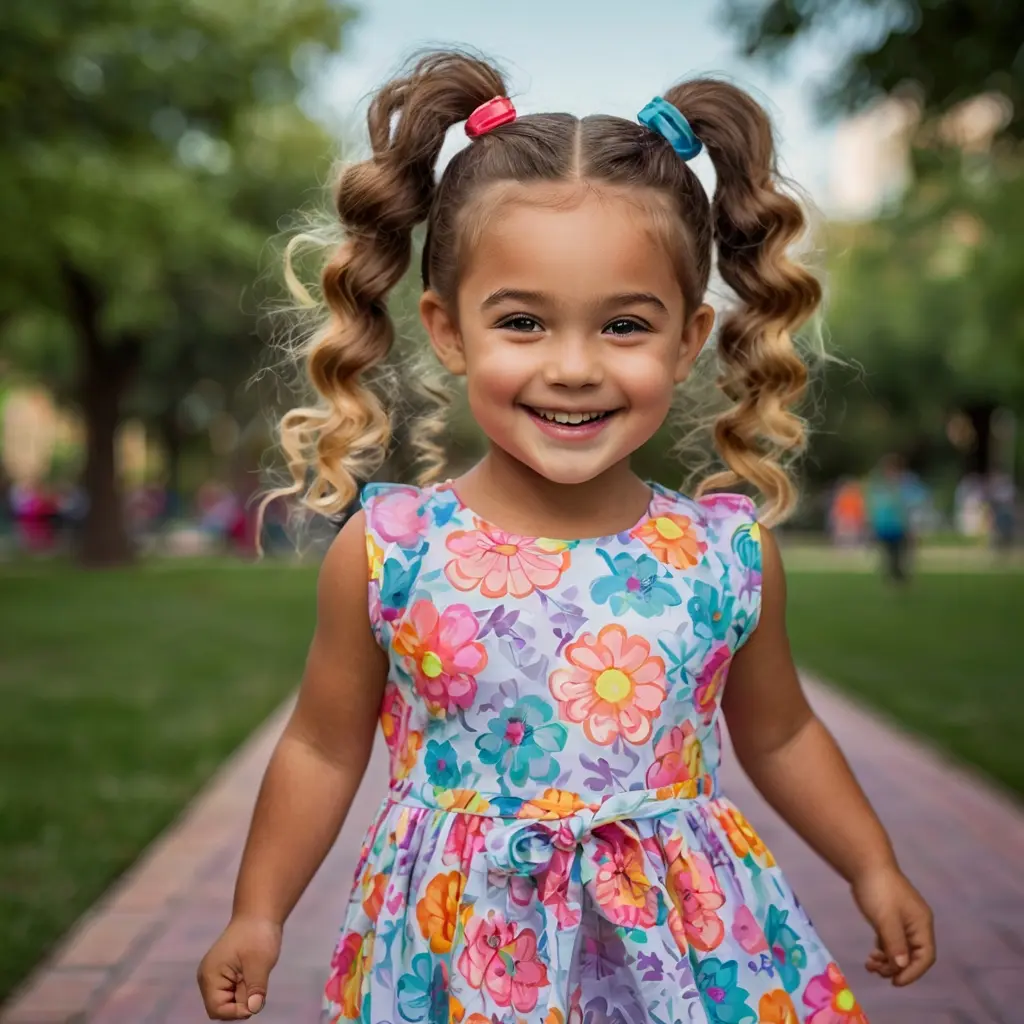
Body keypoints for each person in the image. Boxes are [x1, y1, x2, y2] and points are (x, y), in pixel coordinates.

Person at [198, 52, 935, 1024]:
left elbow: (781, 730)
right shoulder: (392, 550)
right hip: (460, 957)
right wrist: (259, 910)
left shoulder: (723, 556)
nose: (575, 367)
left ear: (688, 338)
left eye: (624, 324)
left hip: (680, 953)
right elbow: (321, 748)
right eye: (523, 323)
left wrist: (871, 863)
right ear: (449, 329)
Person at [866, 456, 912, 584]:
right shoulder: (879, 486)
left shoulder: (901, 485)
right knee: (889, 556)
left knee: (898, 555)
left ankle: (898, 577)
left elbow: (904, 508)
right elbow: (875, 508)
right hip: (885, 527)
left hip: (896, 527)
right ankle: (893, 578)